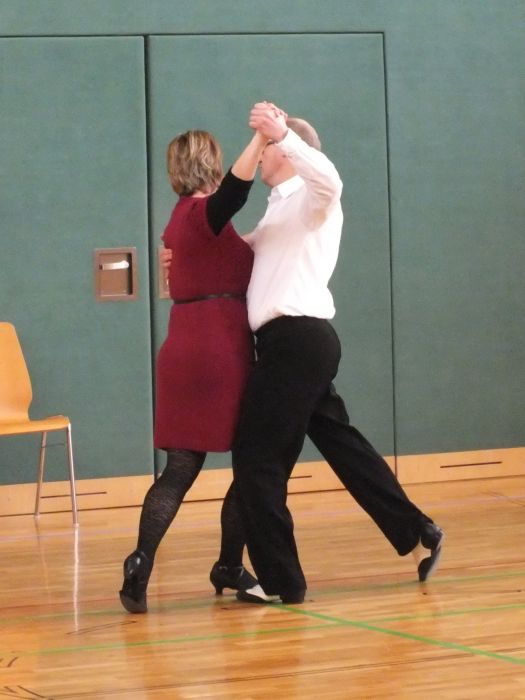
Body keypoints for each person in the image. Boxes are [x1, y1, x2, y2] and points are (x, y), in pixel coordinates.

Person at [229, 102, 445, 604]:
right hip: (297, 345)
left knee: (257, 457)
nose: (260, 155)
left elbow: (330, 181)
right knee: (341, 444)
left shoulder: (312, 197)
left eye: (267, 148)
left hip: (296, 342)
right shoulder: (277, 209)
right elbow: (241, 252)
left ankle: (282, 582)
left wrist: (284, 133)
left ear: (286, 151)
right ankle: (417, 531)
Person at [119, 127, 268, 613]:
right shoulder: (207, 213)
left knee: (179, 469)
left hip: (181, 346)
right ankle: (228, 564)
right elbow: (236, 191)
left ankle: (140, 562)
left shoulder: (179, 219)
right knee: (251, 463)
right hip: (220, 347)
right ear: (212, 162)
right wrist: (261, 139)